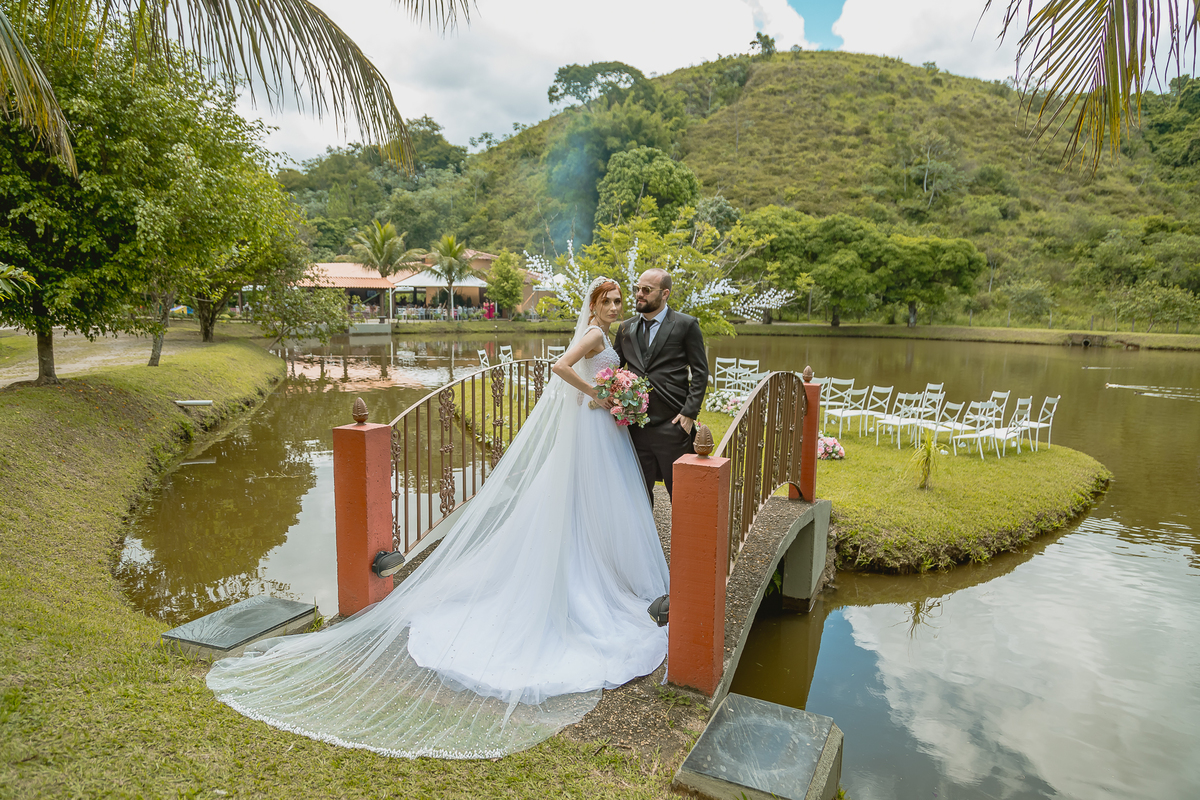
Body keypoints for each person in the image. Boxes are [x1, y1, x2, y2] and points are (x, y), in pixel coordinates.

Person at [207, 277, 668, 759]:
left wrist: (611, 396)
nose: (616, 306)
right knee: (583, 501)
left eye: (619, 300)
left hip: (599, 429)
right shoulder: (593, 335)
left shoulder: (605, 335)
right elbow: (559, 367)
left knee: (588, 503)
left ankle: (597, 566)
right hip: (592, 425)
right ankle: (587, 576)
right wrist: (598, 393)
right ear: (593, 304)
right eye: (608, 300)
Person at [612, 268, 709, 503]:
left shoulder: (686, 325)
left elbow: (700, 372)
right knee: (638, 497)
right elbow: (614, 371)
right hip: (634, 427)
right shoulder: (625, 328)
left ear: (665, 293)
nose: (639, 294)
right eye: (637, 289)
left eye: (646, 290)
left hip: (672, 424)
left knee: (682, 494)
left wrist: (689, 413)